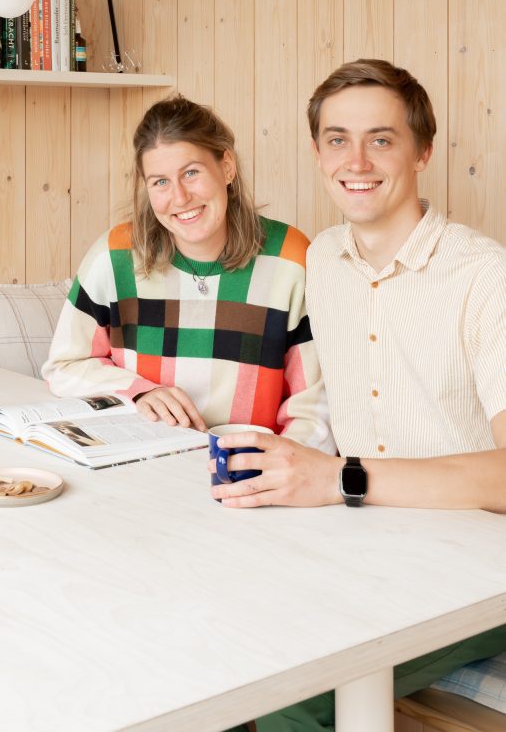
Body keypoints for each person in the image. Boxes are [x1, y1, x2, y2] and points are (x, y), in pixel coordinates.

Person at [210, 59, 506, 731]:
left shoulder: (483, 275)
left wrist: (339, 478)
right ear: (317, 154)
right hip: (366, 547)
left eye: (381, 138)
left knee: (286, 689)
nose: (357, 159)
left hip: (478, 574)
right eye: (337, 138)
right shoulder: (322, 260)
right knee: (209, 630)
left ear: (422, 150)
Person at [43, 94, 335, 450]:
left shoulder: (290, 258)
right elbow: (63, 368)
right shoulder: (114, 256)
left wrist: (279, 472)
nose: (179, 197)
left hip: (251, 471)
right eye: (160, 182)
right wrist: (138, 391)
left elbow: (315, 410)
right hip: (143, 463)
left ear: (226, 167)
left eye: (191, 173)